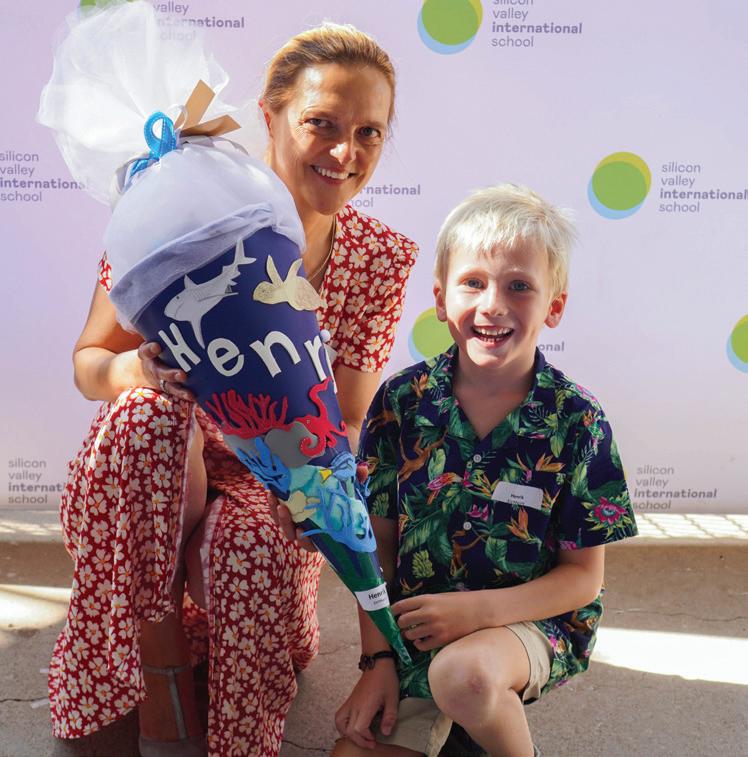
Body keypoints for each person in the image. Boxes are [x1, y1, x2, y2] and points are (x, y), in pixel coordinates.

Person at [48, 22, 418, 757]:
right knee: (148, 417)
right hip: (156, 477)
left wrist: (311, 491)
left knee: (246, 541)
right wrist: (137, 370)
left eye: (368, 132)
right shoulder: (177, 212)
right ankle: (155, 668)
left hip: (268, 487)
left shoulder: (381, 256)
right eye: (322, 123)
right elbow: (90, 362)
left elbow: (346, 419)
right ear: (269, 116)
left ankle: (240, 724)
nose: (344, 152)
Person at [331, 184, 637, 757]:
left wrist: (478, 613)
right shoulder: (401, 401)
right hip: (419, 634)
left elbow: (582, 579)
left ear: (554, 307)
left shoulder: (577, 420)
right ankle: (459, 727)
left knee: (465, 678)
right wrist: (377, 661)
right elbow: (377, 550)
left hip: (529, 625)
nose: (493, 304)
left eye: (519, 286)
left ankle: (482, 716)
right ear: (440, 299)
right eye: (473, 282)